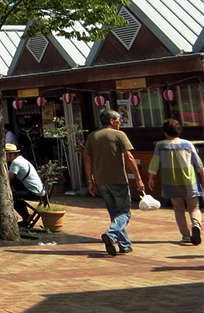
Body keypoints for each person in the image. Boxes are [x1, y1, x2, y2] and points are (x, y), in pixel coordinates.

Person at [84, 109, 145, 256]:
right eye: (118, 121)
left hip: (101, 180)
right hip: (118, 179)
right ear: (112, 121)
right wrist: (138, 179)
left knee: (115, 213)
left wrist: (90, 180)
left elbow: (87, 159)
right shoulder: (119, 135)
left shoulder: (92, 136)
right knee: (124, 212)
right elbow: (129, 158)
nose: (120, 124)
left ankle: (124, 244)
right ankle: (111, 234)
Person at [148, 119, 202, 245]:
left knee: (178, 209)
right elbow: (198, 163)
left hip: (170, 182)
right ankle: (196, 226)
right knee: (194, 207)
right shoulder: (187, 144)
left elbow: (154, 163)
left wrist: (151, 177)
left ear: (165, 132)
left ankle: (185, 235)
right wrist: (202, 177)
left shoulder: (160, 146)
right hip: (189, 181)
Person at [5, 144, 45, 228]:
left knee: (12, 196)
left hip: (35, 191)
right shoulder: (21, 159)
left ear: (12, 154)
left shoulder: (15, 162)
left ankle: (26, 217)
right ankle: (26, 217)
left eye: (5, 155)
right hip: (38, 189)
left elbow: (9, 177)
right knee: (16, 193)